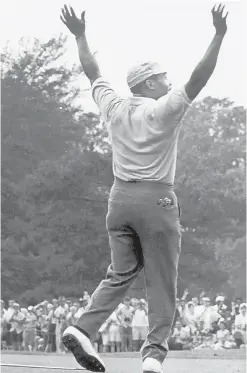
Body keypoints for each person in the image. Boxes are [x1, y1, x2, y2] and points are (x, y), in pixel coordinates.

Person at [60, 3, 229, 372]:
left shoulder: (113, 107)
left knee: (121, 271)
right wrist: (218, 35)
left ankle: (82, 327)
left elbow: (92, 73)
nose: (171, 82)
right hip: (156, 198)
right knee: (161, 277)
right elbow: (199, 77)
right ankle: (153, 354)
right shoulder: (164, 109)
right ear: (150, 84)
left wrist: (80, 36)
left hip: (118, 200)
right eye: (165, 78)